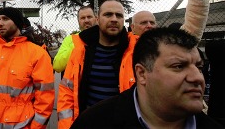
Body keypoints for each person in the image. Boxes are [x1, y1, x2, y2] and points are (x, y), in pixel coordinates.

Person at [57, 0, 211, 129]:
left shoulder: (139, 46)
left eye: (119, 15)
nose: (114, 19)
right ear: (97, 19)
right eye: (108, 14)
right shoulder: (80, 49)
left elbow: (187, 37)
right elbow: (66, 92)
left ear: (124, 21)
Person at [70, 28, 224, 129]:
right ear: (142, 73)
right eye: (178, 66)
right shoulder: (94, 123)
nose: (197, 77)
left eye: (199, 67)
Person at [53, 5, 96, 73]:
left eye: (89, 17)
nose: (86, 20)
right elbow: (57, 66)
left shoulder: (104, 38)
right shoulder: (70, 39)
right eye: (82, 18)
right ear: (78, 21)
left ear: (96, 19)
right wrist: (76, 44)